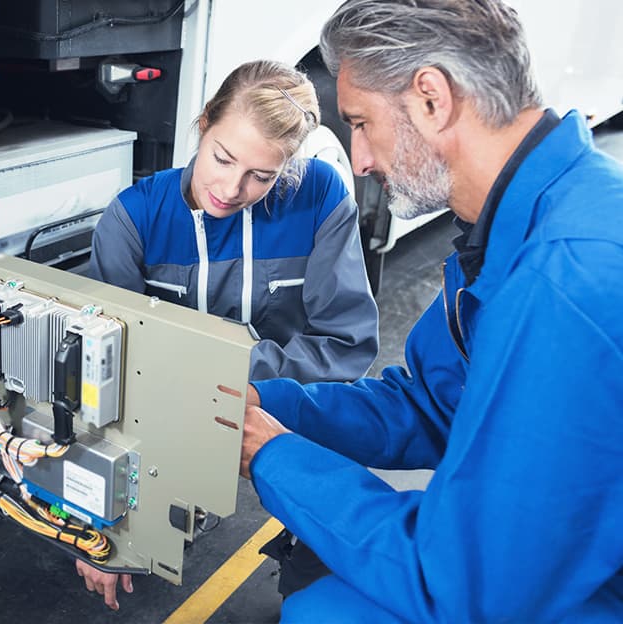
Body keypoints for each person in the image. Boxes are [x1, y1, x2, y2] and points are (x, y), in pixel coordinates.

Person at [240, 1, 623, 622]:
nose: (357, 158)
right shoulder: (521, 224)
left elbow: (467, 586)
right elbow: (434, 405)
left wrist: (273, 457)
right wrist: (268, 407)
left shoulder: (566, 281)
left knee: (326, 616)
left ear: (431, 99)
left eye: (360, 123)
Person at [84, 60, 380, 609]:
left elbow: (346, 345)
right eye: (222, 157)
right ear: (203, 124)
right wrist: (94, 518)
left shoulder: (319, 197)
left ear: (287, 168)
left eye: (262, 176)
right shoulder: (133, 219)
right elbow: (100, 377)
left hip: (281, 407)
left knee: (316, 593)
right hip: (163, 414)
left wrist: (232, 384)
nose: (230, 187)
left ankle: (311, 559)